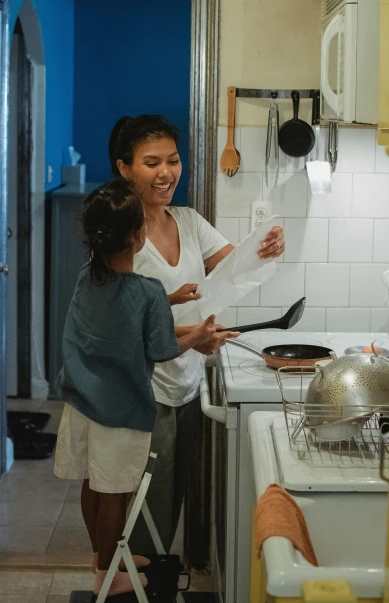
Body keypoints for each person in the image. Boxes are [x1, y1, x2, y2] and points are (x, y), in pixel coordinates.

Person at [109, 115, 285, 555]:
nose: (166, 172)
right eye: (151, 162)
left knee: (170, 496)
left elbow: (236, 264)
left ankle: (153, 577)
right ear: (124, 168)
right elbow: (120, 322)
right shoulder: (120, 236)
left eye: (172, 159)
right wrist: (193, 334)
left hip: (186, 383)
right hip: (142, 390)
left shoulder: (187, 220)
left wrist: (267, 246)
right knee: (146, 499)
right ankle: (134, 580)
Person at [53, 178, 237, 597]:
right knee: (115, 492)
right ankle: (108, 573)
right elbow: (163, 348)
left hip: (82, 401)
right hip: (120, 410)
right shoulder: (146, 291)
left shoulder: (89, 276)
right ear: (138, 236)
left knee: (91, 482)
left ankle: (102, 556)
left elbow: (123, 311)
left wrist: (169, 300)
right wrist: (201, 335)